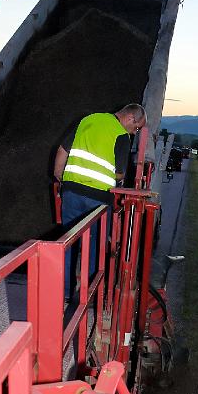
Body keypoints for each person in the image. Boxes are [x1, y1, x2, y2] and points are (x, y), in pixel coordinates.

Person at [54, 104, 147, 299]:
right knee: (94, 245)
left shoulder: (89, 119)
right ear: (130, 118)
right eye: (137, 127)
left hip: (72, 191)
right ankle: (86, 296)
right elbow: (120, 172)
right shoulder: (121, 134)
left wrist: (60, 177)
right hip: (98, 199)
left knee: (69, 241)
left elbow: (63, 150)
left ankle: (63, 293)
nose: (135, 132)